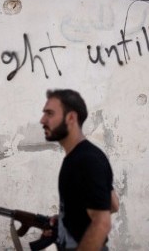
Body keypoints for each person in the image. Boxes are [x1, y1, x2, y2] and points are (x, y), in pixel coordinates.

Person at [40, 89, 119, 251]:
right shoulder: (81, 157)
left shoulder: (86, 160)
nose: (42, 120)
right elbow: (113, 204)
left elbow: (102, 223)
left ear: (71, 118)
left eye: (49, 113)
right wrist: (66, 218)